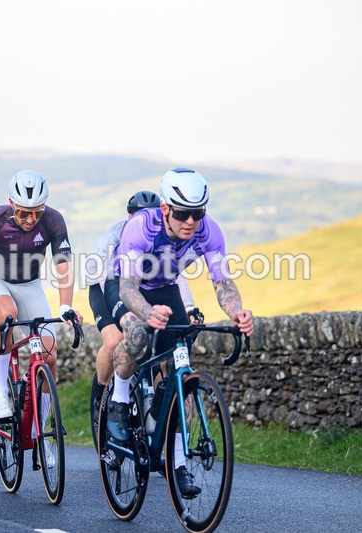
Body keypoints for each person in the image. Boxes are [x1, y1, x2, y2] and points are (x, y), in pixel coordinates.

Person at [104, 168, 254, 497]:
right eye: (184, 214)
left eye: (198, 213)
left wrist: (237, 312)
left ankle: (179, 464)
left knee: (179, 366)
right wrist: (146, 313)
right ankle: (118, 400)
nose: (191, 222)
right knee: (138, 336)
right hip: (124, 287)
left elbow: (223, 281)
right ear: (166, 209)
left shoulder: (208, 231)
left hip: (166, 288)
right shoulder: (141, 227)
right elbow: (128, 287)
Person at [0, 170, 83, 453]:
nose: (30, 219)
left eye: (36, 212)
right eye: (23, 212)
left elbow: (63, 266)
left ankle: (39, 430)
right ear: (11, 202)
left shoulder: (53, 220)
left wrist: (66, 305)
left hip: (29, 284)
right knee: (6, 312)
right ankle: (0, 391)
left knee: (49, 354)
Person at [85, 190, 196, 442]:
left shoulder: (160, 236)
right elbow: (105, 279)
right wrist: (130, 312)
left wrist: (188, 308)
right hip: (104, 287)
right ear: (129, 216)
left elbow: (175, 277)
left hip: (144, 289)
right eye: (138, 215)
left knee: (164, 353)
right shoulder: (115, 237)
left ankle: (162, 424)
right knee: (116, 342)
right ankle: (102, 395)